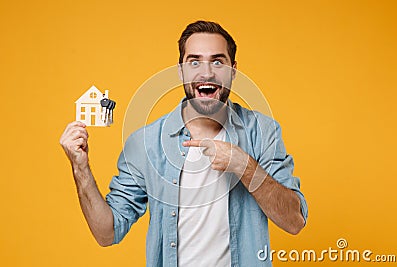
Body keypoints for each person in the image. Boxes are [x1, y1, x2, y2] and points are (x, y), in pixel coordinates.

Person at [60, 20, 308, 267]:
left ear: (233, 71)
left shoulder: (262, 132)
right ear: (181, 71)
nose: (207, 72)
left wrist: (245, 166)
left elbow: (294, 221)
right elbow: (107, 233)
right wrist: (80, 168)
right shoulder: (145, 144)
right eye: (195, 61)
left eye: (218, 61)